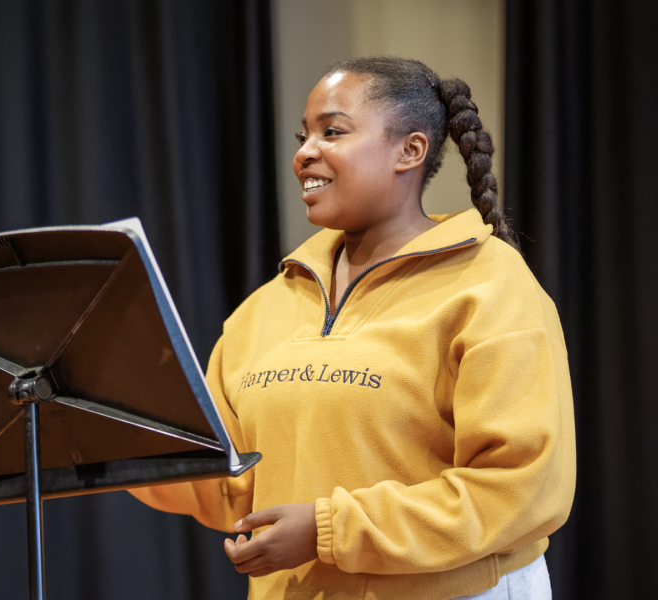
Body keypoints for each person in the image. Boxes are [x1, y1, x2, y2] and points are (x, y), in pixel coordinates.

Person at [130, 56, 575, 600]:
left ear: (409, 151)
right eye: (304, 134)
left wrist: (329, 531)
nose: (304, 153)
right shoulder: (265, 307)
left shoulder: (490, 286)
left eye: (332, 131)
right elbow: (234, 482)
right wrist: (103, 443)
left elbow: (519, 490)